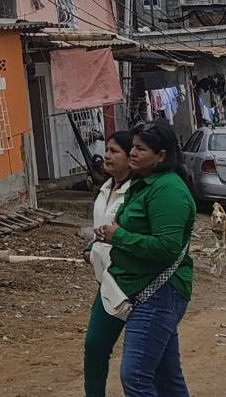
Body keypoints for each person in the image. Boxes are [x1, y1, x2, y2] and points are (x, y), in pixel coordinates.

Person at [94, 120, 196, 397]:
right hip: (142, 290)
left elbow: (167, 247)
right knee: (167, 377)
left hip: (158, 293)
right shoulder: (143, 184)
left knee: (136, 376)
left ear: (160, 156)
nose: (133, 153)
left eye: (141, 148)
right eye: (133, 147)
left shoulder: (168, 190)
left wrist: (119, 236)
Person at [83, 131, 136, 397]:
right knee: (95, 347)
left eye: (114, 151)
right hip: (107, 283)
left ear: (130, 157)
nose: (106, 156)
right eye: (107, 150)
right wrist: (91, 249)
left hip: (132, 282)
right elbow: (100, 231)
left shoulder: (137, 193)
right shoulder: (105, 188)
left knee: (144, 360)